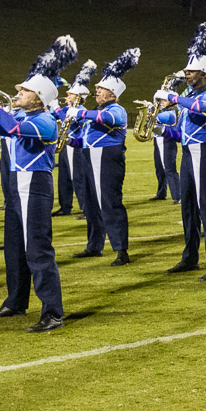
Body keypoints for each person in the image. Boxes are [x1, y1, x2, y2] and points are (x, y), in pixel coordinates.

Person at [0, 64, 66, 332]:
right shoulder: (24, 117)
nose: (18, 93)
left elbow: (13, 129)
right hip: (17, 184)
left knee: (38, 249)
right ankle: (16, 301)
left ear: (38, 97)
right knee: (14, 247)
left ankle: (53, 312)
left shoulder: (45, 121)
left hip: (36, 185)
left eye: (24, 91)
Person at [155, 22, 206, 280]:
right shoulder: (189, 95)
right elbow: (183, 132)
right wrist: (161, 129)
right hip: (188, 152)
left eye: (192, 71)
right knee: (187, 206)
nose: (187, 73)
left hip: (205, 153)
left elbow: (203, 109)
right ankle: (191, 257)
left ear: (204, 74)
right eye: (187, 70)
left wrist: (172, 98)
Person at [69, 49, 137, 266]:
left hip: (108, 158)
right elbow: (83, 139)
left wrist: (79, 113)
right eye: (97, 87)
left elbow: (104, 118)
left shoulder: (117, 110)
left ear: (113, 94)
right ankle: (94, 246)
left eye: (102, 88)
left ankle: (121, 251)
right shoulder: (93, 112)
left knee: (110, 203)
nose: (96, 90)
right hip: (90, 157)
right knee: (90, 204)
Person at [54, 60, 96, 218]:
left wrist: (56, 108)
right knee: (64, 177)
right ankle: (65, 206)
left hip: (76, 146)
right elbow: (56, 115)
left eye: (70, 94)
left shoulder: (81, 110)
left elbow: (66, 118)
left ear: (78, 97)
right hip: (65, 144)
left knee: (78, 177)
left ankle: (86, 208)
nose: (67, 95)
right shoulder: (67, 108)